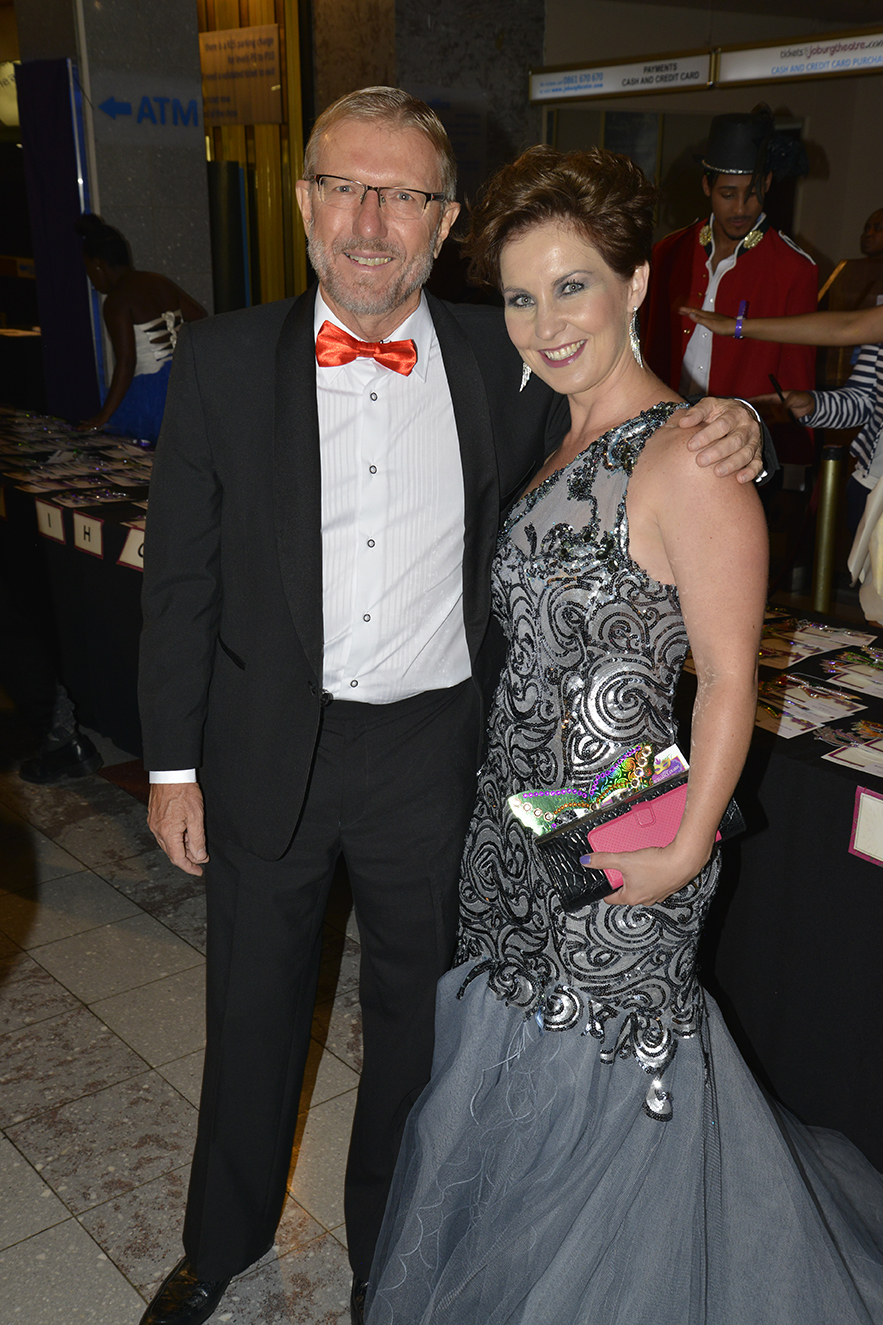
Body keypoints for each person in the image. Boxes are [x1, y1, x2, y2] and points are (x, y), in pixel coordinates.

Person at [136, 87, 766, 1325]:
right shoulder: (222, 359)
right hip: (266, 746)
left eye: (403, 195)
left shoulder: (506, 353)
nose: (369, 220)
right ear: (304, 201)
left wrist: (740, 418)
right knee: (249, 1010)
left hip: (439, 757)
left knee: (419, 1032)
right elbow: (180, 582)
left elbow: (642, 429)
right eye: (343, 187)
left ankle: (395, 1255)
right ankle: (218, 1245)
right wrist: (169, 766)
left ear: (443, 220)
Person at [365, 146, 883, 1324]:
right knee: (525, 1078)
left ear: (635, 285)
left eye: (572, 286)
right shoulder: (550, 434)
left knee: (601, 1102)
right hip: (516, 828)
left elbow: (729, 681)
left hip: (625, 845)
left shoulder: (690, 456)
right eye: (519, 295)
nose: (544, 322)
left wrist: (687, 848)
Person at [643, 104, 817, 463]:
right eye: (727, 194)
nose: (740, 208)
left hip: (742, 444)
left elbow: (796, 376)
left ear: (767, 183)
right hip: (665, 431)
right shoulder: (669, 252)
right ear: (707, 185)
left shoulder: (794, 268)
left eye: (751, 192)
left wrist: (788, 456)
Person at [681, 301, 883, 532]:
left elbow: (848, 326)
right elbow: (865, 400)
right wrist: (813, 405)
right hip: (868, 481)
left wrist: (736, 327)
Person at [75, 214, 207, 444]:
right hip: (187, 381)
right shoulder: (159, 281)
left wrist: (104, 416)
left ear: (99, 264)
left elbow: (126, 363)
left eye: (89, 271)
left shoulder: (117, 301)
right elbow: (200, 316)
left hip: (150, 395)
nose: (92, 282)